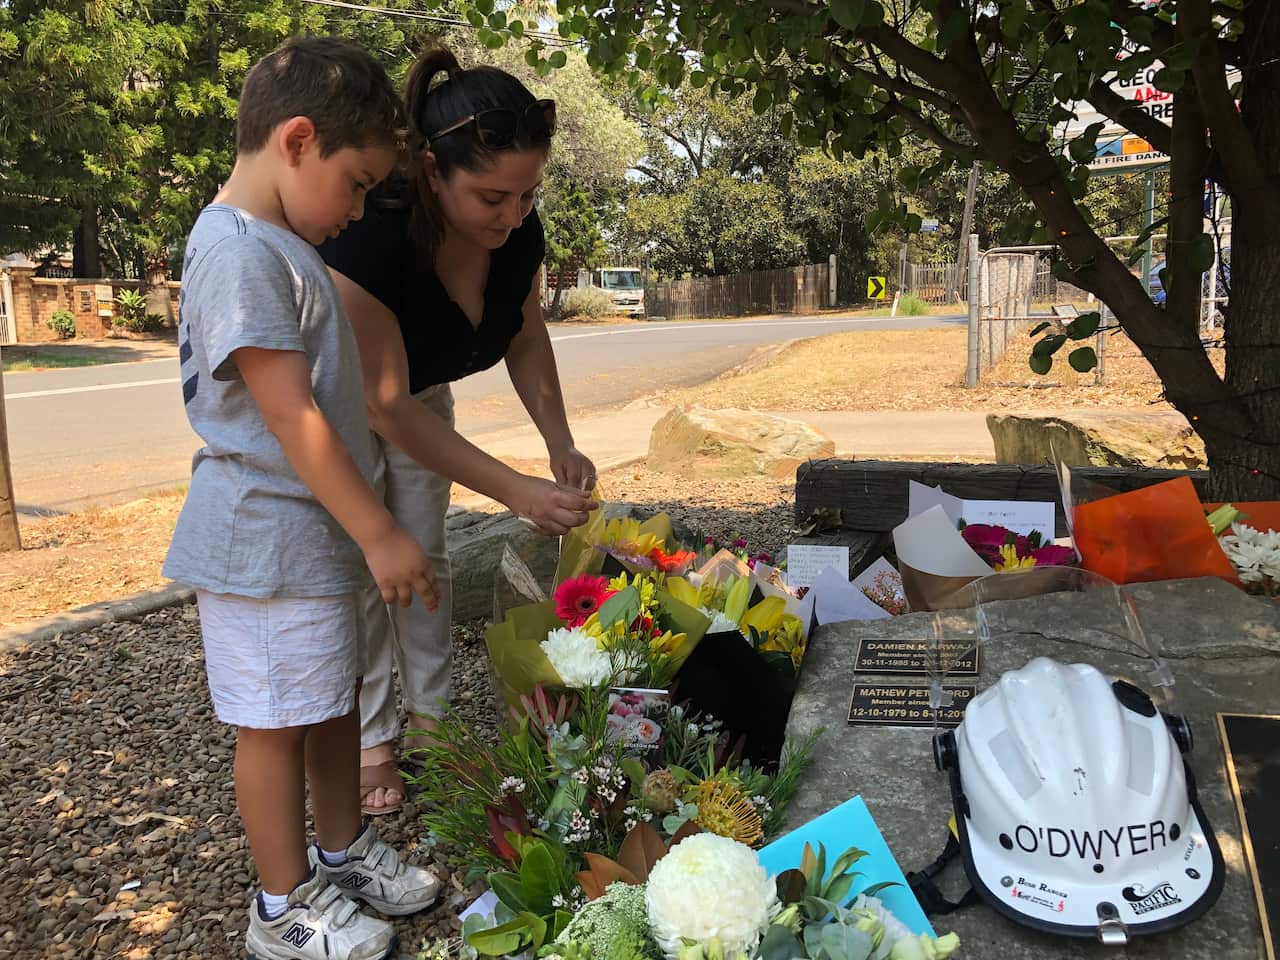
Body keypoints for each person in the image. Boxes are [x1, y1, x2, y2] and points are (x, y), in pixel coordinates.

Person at [163, 38, 442, 959]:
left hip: (305, 539)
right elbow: (291, 417)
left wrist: (359, 530)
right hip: (263, 542)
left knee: (326, 707)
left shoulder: (276, 243)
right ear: (295, 140)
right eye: (357, 183)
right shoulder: (241, 252)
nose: (359, 208)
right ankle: (282, 908)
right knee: (276, 726)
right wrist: (380, 530)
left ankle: (339, 848)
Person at [319, 46, 597, 815]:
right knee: (368, 567)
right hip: (338, 404)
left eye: (527, 193)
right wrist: (515, 492)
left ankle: (434, 726)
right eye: (492, 197)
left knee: (426, 559)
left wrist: (559, 442)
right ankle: (374, 740)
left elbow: (525, 335)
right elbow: (381, 404)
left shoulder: (520, 234)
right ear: (433, 175)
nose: (513, 215)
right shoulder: (370, 234)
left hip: (419, 392)